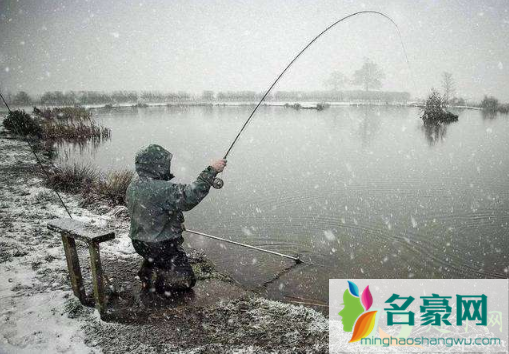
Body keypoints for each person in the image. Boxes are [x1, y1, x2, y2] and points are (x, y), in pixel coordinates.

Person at [126, 144, 226, 293]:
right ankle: (159, 283)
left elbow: (152, 212)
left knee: (155, 255)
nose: (168, 167)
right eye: (165, 163)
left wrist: (173, 223)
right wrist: (211, 170)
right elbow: (189, 196)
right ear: (156, 165)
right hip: (161, 246)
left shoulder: (133, 186)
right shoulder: (163, 188)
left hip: (139, 243)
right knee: (186, 281)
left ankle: (149, 271)